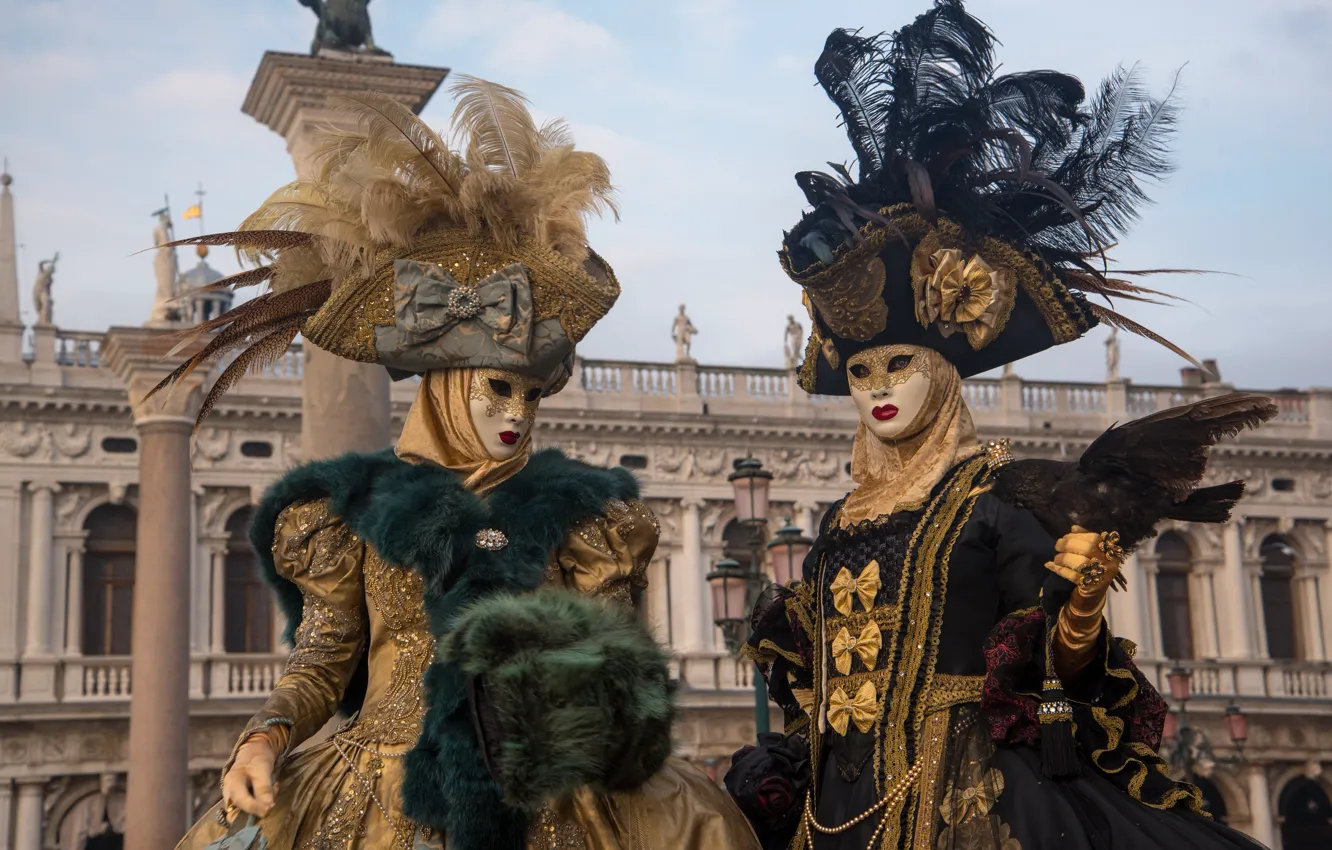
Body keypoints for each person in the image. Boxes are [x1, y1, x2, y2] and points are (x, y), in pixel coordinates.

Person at [160, 77, 759, 850]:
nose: (516, 413)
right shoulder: (358, 515)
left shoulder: (581, 520)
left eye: (531, 394)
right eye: (497, 388)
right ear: (445, 389)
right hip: (377, 792)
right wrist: (264, 737)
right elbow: (323, 659)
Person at [724, 3, 1269, 849]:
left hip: (967, 795)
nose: (876, 390)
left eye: (898, 366)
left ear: (942, 377)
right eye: (861, 372)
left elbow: (1064, 670)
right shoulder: (842, 521)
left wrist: (1080, 602)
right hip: (842, 805)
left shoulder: (992, 504)